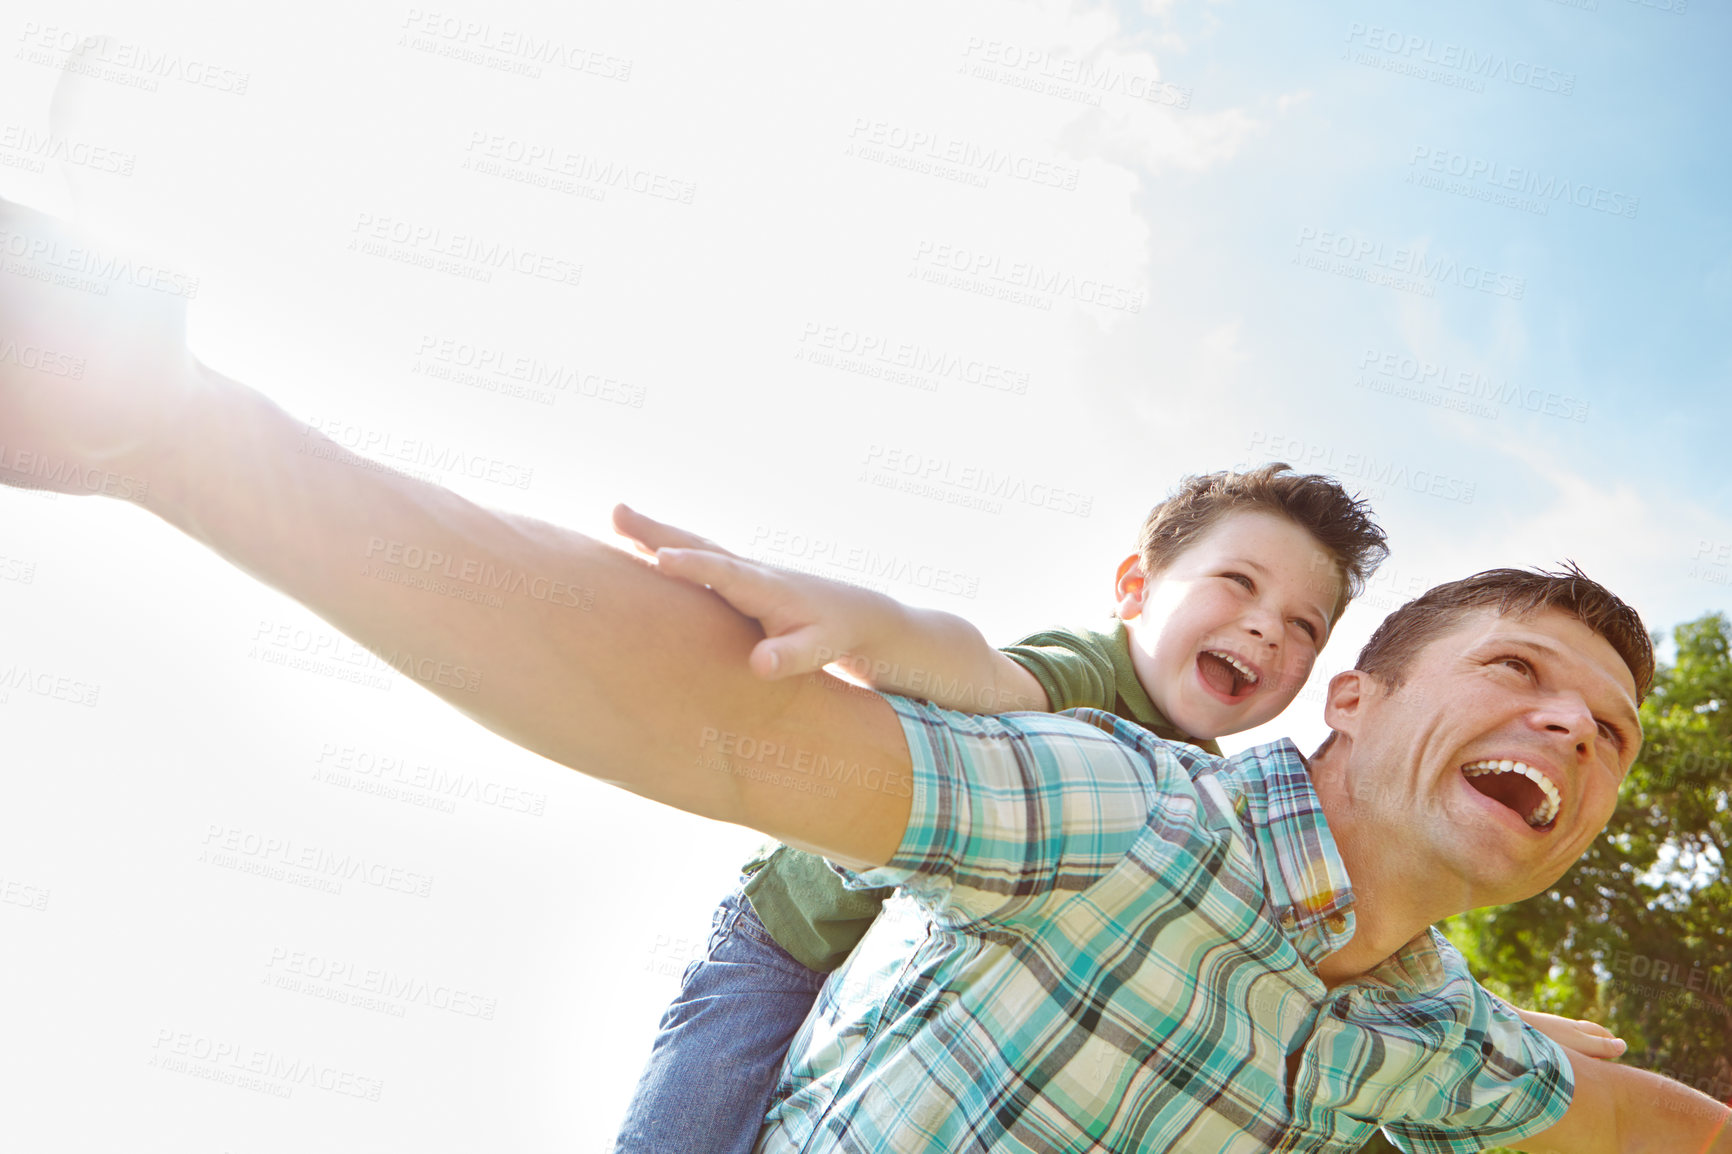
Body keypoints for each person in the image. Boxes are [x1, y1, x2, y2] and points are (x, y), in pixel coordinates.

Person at [0, 196, 1723, 1151]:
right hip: (773, 937)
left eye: (1612, 734)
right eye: (1520, 667)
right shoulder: (1114, 788)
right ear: (1356, 701)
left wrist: (1526, 1027)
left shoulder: (1431, 1036)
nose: (1572, 726)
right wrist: (177, 431)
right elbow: (742, 720)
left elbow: (1643, 1117)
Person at [608, 480, 1624, 1154]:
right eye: (1236, 582)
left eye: (1305, 625)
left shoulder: (1207, 793)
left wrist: (1502, 1022)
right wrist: (860, 625)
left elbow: (1290, 942)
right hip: (782, 939)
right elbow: (967, 662)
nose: (1268, 624)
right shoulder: (1079, 679)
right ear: (1134, 588)